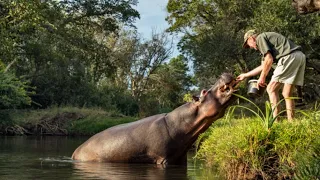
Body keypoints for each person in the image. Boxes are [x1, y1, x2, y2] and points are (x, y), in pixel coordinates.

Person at [237, 30, 306, 121]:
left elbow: (269, 60)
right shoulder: (266, 46)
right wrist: (245, 75)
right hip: (299, 56)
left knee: (271, 89)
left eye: (248, 44)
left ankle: (276, 122)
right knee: (287, 93)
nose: (251, 47)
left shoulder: (260, 38)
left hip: (288, 57)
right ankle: (291, 122)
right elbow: (263, 66)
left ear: (251, 38)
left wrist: (262, 77)